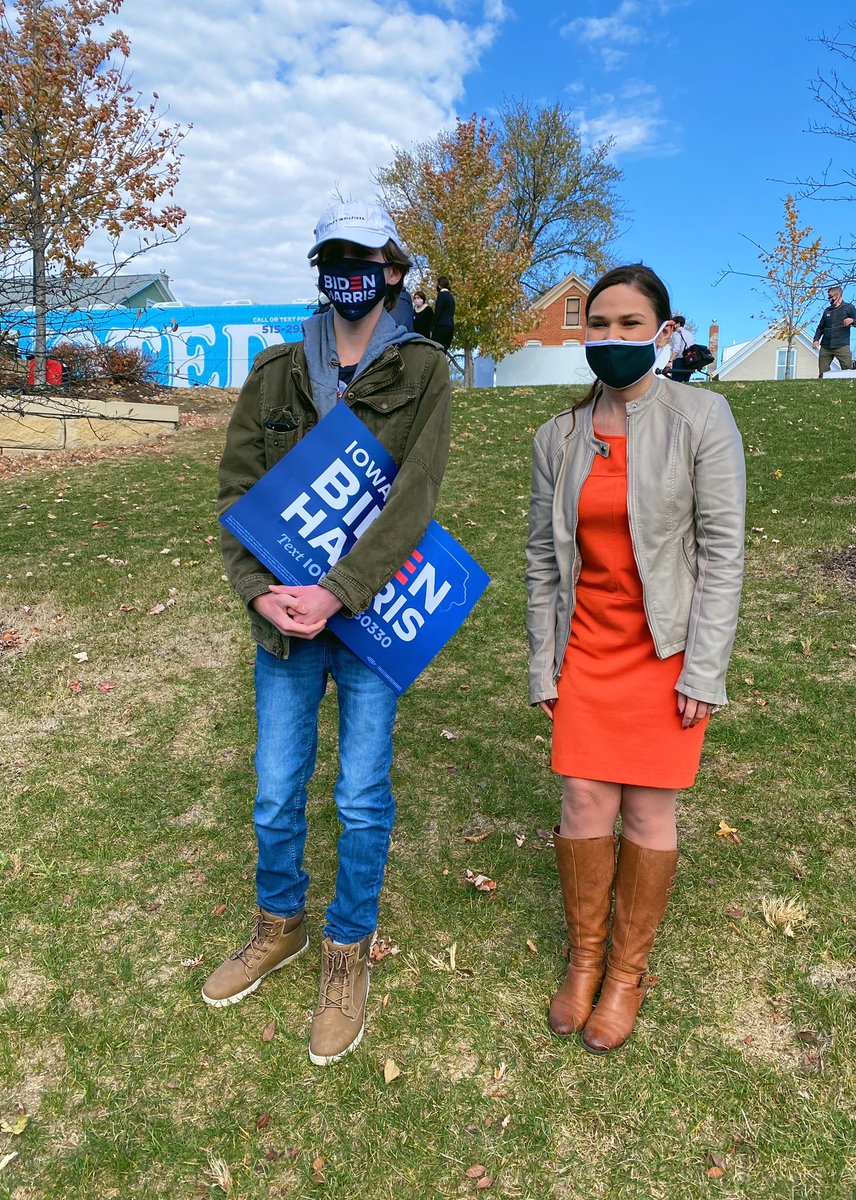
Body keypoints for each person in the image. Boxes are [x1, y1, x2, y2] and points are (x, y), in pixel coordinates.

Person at [209, 201, 452, 1066]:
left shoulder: (424, 371)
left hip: (372, 621)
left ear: (393, 269)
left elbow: (416, 497)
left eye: (363, 257)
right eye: (331, 257)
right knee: (276, 788)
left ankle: (347, 952)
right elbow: (239, 495)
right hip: (284, 628)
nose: (347, 271)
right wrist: (256, 592)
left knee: (359, 795)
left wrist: (341, 592)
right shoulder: (275, 373)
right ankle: (279, 925)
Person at [526, 264, 745, 1054]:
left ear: (662, 330)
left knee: (649, 808)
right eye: (599, 324)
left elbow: (723, 553)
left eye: (629, 324)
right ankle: (585, 963)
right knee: (584, 801)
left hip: (667, 647)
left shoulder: (703, 417)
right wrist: (542, 662)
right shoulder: (557, 437)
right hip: (586, 645)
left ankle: (626, 973)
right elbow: (542, 563)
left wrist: (705, 667)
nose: (612, 338)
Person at [813, 283, 856, 376]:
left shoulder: (849, 307)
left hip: (842, 345)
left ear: (838, 295)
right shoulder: (827, 310)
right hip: (826, 346)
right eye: (828, 297)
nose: (829, 299)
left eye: (831, 296)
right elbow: (820, 327)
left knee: (848, 371)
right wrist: (816, 340)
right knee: (823, 373)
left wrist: (851, 320)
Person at [667, 314, 695, 382]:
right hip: (689, 361)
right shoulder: (690, 334)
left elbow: (676, 348)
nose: (672, 326)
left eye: (673, 324)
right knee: (685, 384)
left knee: (676, 384)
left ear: (678, 324)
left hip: (680, 361)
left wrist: (670, 361)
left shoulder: (677, 333)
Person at [432, 275, 455, 351]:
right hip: (450, 327)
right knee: (442, 352)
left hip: (441, 327)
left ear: (439, 285)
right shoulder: (451, 297)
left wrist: (432, 327)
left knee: (435, 351)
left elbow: (438, 312)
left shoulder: (442, 295)